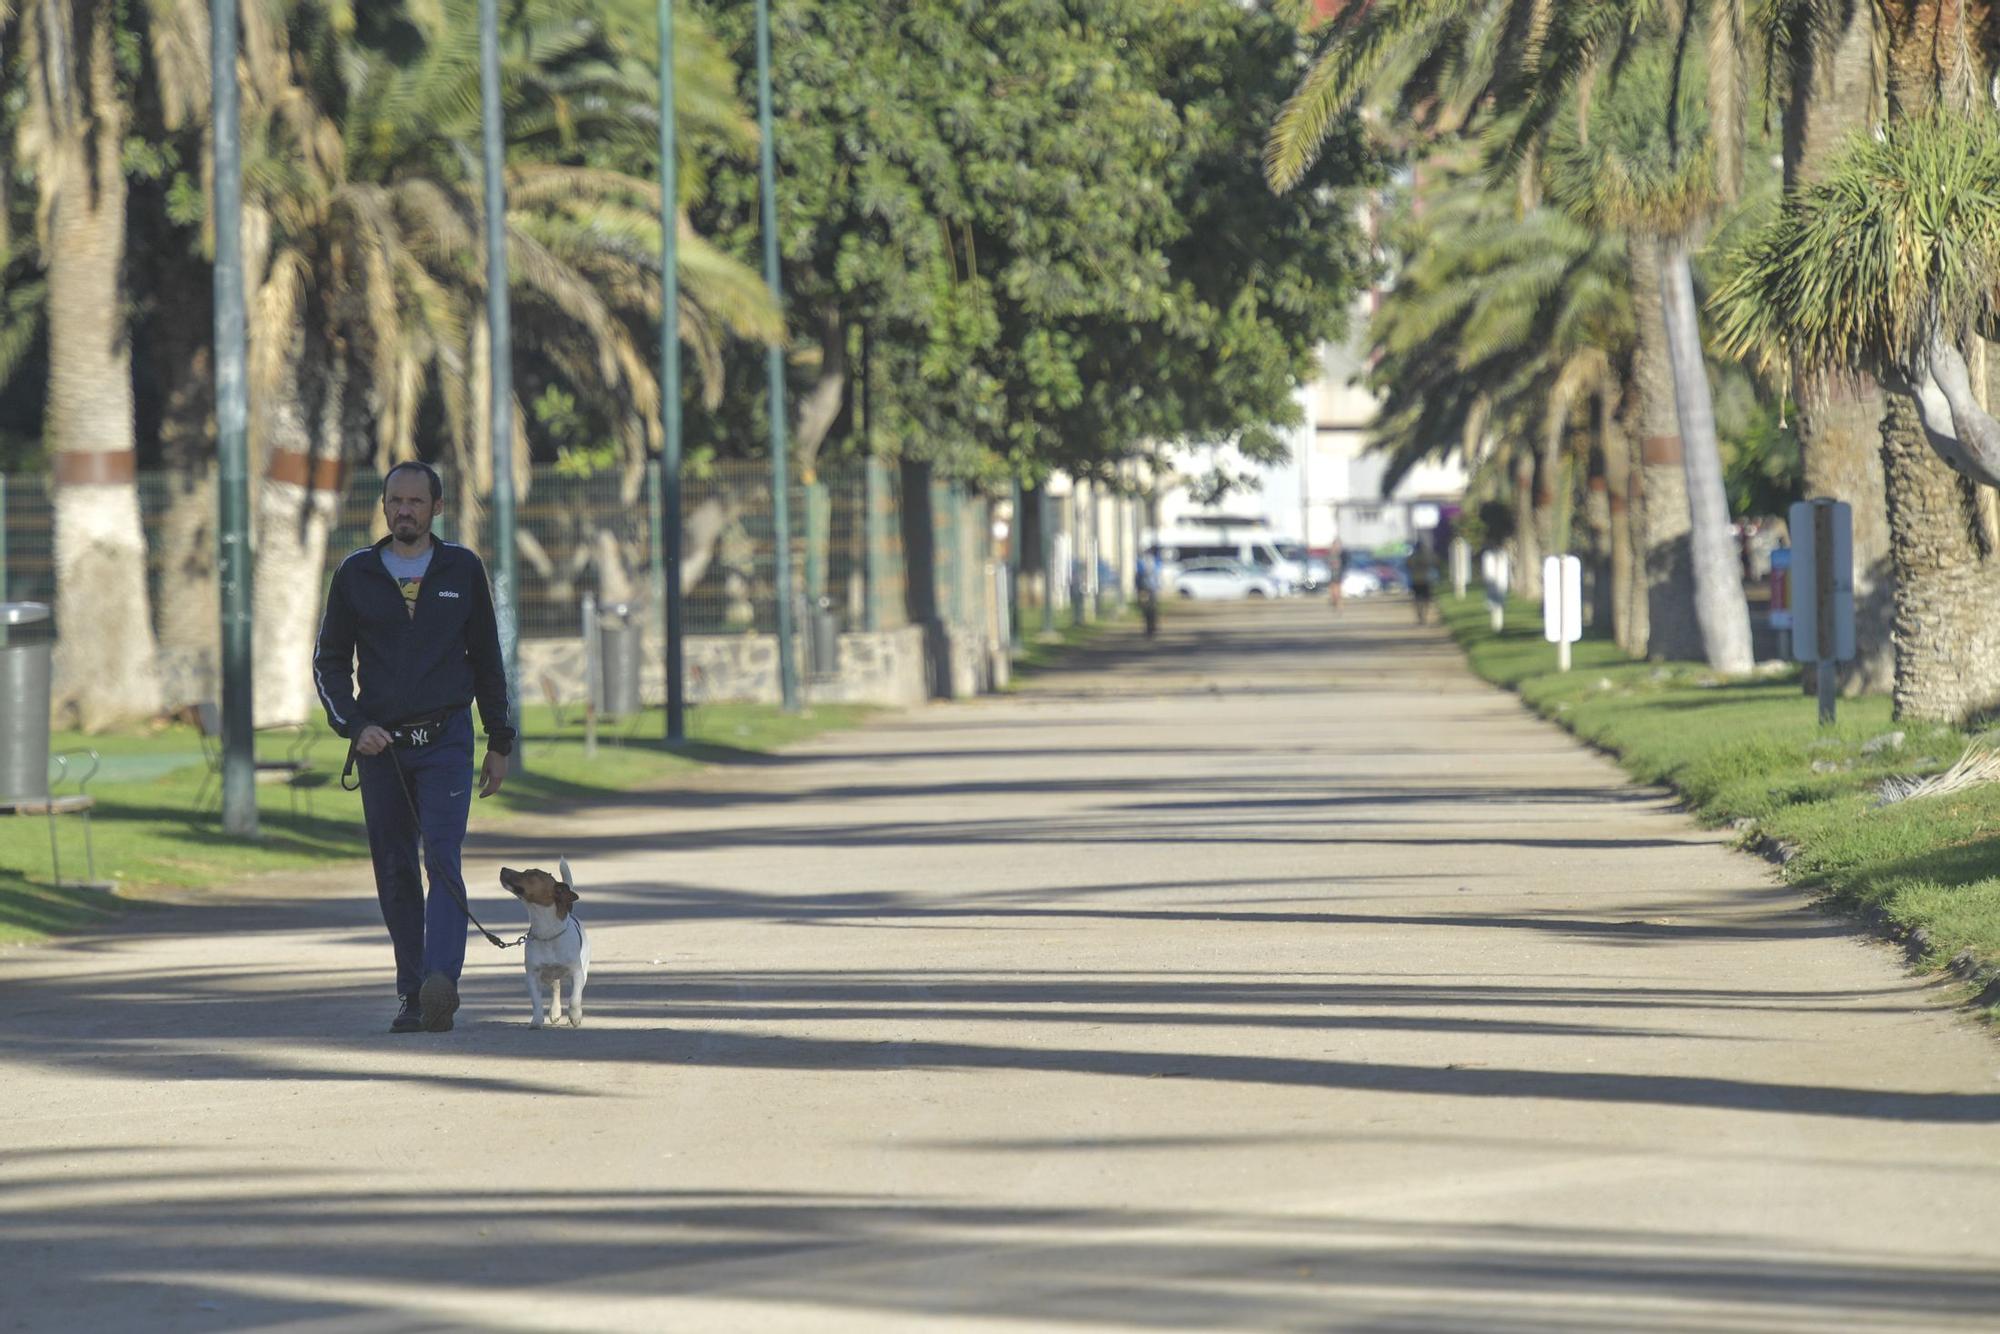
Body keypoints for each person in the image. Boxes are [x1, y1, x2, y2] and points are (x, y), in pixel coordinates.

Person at [314, 461, 515, 1034]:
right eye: (395, 501)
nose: (405, 510)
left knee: (442, 857)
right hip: (383, 751)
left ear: (436, 508)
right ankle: (412, 992)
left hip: (447, 739)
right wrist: (354, 727)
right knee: (396, 869)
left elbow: (488, 662)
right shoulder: (355, 574)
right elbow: (329, 662)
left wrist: (499, 740)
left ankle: (440, 983)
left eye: (416, 502)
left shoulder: (462, 569)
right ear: (383, 506)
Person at [1408, 539, 1440, 625]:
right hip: (1426, 580)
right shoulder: (1427, 556)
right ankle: (1424, 615)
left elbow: (1407, 566)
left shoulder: (1412, 557)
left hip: (1415, 580)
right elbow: (1435, 562)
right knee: (1426, 599)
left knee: (1417, 599)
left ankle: (1420, 615)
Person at [1135, 548, 1161, 638]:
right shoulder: (1155, 561)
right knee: (1152, 608)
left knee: (1146, 608)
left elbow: (1138, 573)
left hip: (1144, 588)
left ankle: (1148, 627)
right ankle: (1152, 627)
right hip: (1152, 588)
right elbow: (1158, 571)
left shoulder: (1141, 561)